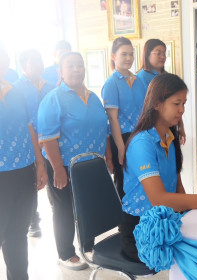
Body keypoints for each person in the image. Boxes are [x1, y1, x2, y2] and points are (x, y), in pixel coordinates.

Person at [120, 73, 197, 263]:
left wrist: (188, 216)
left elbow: (177, 184)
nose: (182, 110)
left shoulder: (169, 137)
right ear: (156, 103)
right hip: (143, 230)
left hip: (167, 220)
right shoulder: (142, 143)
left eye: (184, 103)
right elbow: (159, 199)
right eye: (176, 103)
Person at [38, 52, 110, 270]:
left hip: (92, 165)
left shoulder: (93, 96)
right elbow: (48, 138)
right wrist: (58, 168)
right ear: (60, 71)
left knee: (88, 207)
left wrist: (107, 158)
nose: (76, 69)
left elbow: (104, 130)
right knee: (64, 210)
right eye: (70, 66)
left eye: (80, 65)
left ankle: (88, 246)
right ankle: (65, 253)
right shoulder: (54, 98)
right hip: (65, 166)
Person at [0, 46, 47, 280]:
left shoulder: (15, 90)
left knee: (17, 234)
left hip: (22, 171)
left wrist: (39, 161)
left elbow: (29, 126)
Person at [14, 49, 55, 238]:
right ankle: (33, 221)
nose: (39, 64)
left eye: (40, 60)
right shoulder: (16, 89)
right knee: (32, 182)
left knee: (52, 177)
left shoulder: (50, 86)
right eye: (34, 62)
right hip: (29, 143)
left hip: (50, 140)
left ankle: (57, 210)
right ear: (23, 66)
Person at [102, 37, 147, 198]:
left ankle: (140, 219)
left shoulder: (138, 80)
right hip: (122, 138)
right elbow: (113, 119)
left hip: (140, 135)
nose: (129, 58)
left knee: (142, 178)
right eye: (124, 54)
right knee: (123, 182)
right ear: (113, 56)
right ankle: (124, 221)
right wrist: (121, 148)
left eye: (131, 54)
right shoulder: (111, 83)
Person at [137, 39, 186, 144]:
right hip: (152, 127)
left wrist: (180, 126)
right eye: (158, 53)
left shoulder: (166, 76)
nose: (163, 57)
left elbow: (177, 103)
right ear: (147, 54)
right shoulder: (141, 77)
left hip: (169, 125)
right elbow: (144, 107)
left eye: (164, 53)